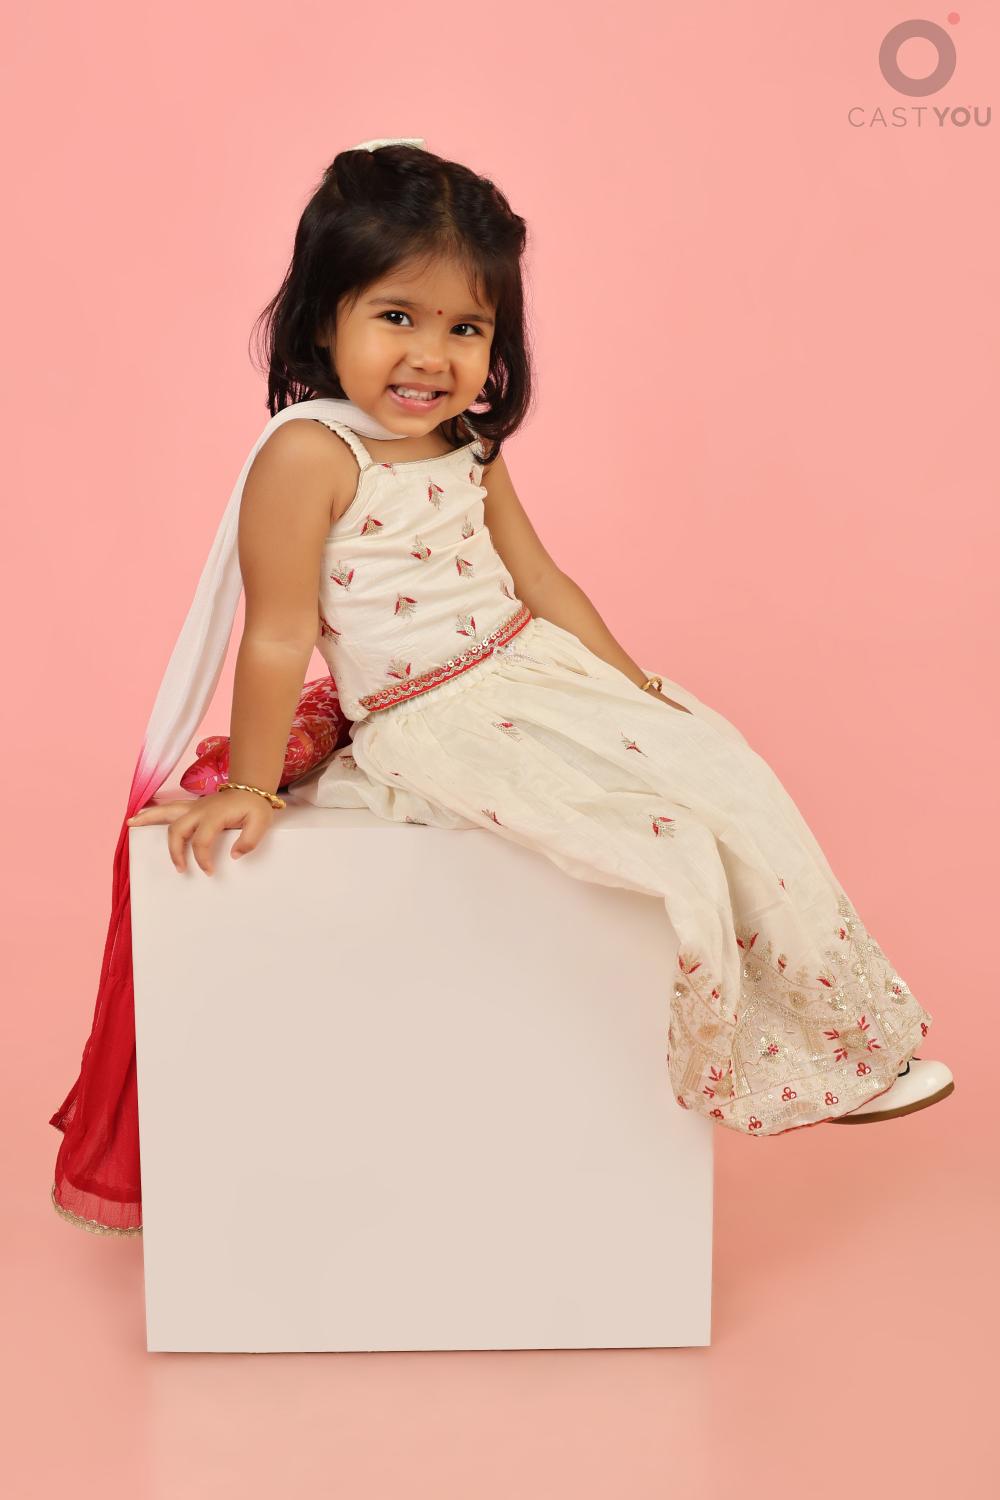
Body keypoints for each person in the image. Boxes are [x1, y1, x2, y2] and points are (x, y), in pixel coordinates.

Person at [50, 139, 953, 1237]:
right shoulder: (310, 456)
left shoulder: (464, 442)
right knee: (658, 841)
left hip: (531, 668)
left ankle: (847, 1047)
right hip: (436, 714)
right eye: (398, 316)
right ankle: (758, 1059)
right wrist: (250, 783)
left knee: (726, 769)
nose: (431, 356)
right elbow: (278, 635)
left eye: (466, 328)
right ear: (325, 319)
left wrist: (630, 685)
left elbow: (539, 579)